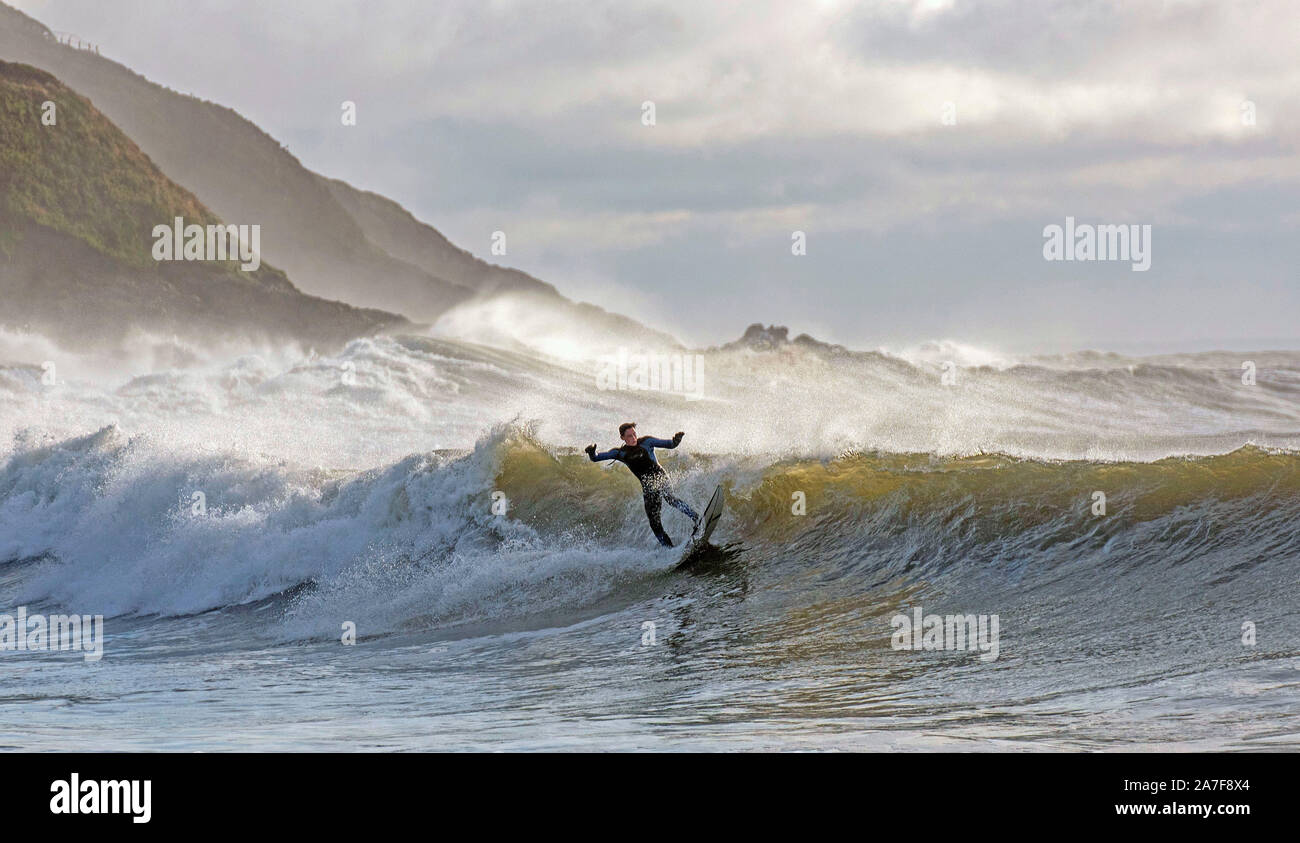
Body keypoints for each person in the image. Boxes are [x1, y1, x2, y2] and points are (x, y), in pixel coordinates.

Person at [585, 422, 699, 547]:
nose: (633, 438)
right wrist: (591, 452)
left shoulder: (647, 442)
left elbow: (670, 444)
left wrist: (676, 440)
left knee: (670, 499)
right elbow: (596, 458)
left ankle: (696, 518)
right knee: (654, 523)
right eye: (629, 436)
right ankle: (669, 548)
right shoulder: (620, 453)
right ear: (622, 438)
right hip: (648, 487)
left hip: (660, 477)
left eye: (634, 434)